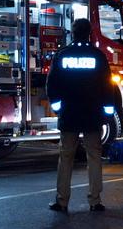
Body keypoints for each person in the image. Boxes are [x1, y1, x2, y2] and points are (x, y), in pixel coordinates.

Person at [46, 18, 114, 213]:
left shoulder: (62, 55)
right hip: (92, 115)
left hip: (69, 114)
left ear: (72, 33)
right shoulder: (97, 56)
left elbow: (52, 85)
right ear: (89, 34)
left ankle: (62, 201)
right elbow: (107, 86)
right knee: (94, 156)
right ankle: (95, 201)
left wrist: (59, 108)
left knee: (66, 156)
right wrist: (107, 112)